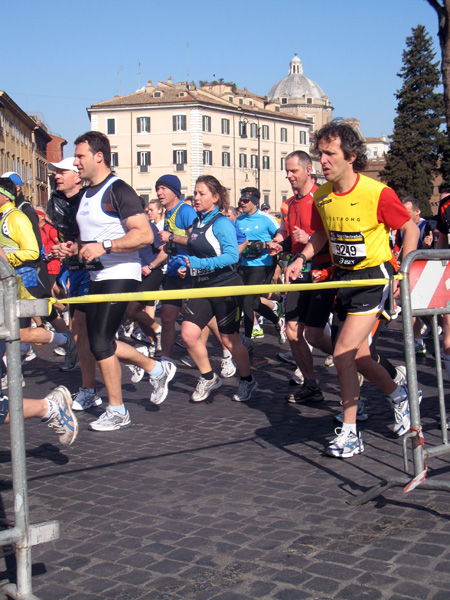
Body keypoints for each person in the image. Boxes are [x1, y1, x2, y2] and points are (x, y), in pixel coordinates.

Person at [285, 120, 419, 458]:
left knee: (343, 351)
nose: (322, 161)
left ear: (352, 156)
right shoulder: (324, 196)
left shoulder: (376, 192)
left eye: (329, 154)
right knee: (357, 357)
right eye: (320, 154)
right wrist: (301, 258)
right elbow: (320, 235)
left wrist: (404, 271)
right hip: (343, 279)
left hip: (373, 279)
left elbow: (410, 229)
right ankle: (401, 394)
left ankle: (350, 432)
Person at [59, 131, 175, 432]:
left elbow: (144, 234)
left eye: (80, 156)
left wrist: (106, 246)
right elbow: (89, 241)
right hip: (98, 275)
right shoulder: (85, 194)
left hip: (122, 275)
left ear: (99, 156)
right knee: (93, 339)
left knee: (99, 342)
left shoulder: (119, 190)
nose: (75, 162)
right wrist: (73, 249)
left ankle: (118, 409)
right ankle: (156, 368)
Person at [180, 175, 258, 403]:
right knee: (188, 334)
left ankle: (247, 380)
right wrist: (189, 268)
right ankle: (208, 377)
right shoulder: (196, 223)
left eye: (201, 193)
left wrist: (199, 264)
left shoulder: (222, 223)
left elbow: (232, 256)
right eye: (195, 193)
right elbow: (198, 255)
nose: (196, 197)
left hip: (225, 287)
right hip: (202, 287)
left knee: (229, 340)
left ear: (215, 198)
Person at [269, 151, 335, 401]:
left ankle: (351, 360)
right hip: (298, 273)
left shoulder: (322, 198)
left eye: (293, 171)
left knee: (315, 335)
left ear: (308, 170)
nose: (288, 176)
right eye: (286, 171)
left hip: (322, 271)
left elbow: (327, 237)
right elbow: (295, 238)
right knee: (294, 332)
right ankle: (311, 384)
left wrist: (306, 243)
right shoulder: (292, 203)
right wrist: (282, 245)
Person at [236, 188, 286, 348]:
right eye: (240, 200)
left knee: (247, 301)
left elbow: (281, 239)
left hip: (263, 265)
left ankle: (247, 339)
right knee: (253, 302)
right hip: (244, 265)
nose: (242, 203)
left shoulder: (267, 219)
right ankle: (278, 321)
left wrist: (265, 245)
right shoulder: (239, 220)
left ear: (255, 202)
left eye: (245, 200)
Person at [156, 176, 197, 361]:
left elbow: (196, 242)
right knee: (166, 317)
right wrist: (151, 265)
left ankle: (228, 351)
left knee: (199, 319)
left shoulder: (186, 211)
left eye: (163, 188)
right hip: (173, 272)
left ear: (175, 191)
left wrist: (171, 237)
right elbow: (169, 247)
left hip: (189, 272)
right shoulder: (167, 213)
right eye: (157, 189)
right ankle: (166, 360)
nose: (159, 193)